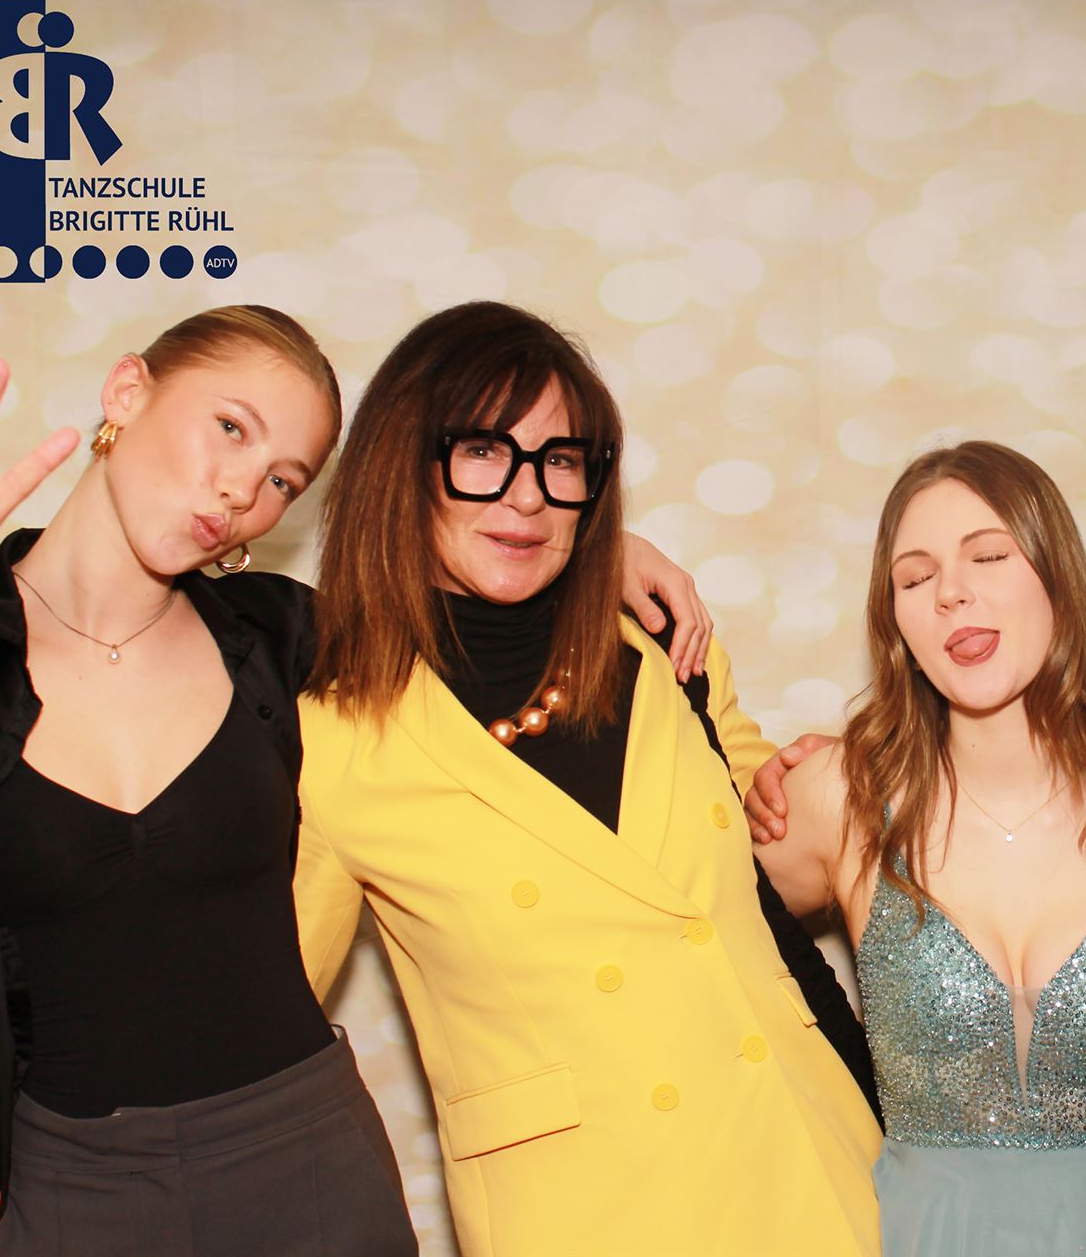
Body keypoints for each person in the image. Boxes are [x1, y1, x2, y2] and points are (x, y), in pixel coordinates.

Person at [291, 300, 882, 1256]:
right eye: (483, 451)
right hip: (581, 1219)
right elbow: (263, 1018)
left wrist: (822, 783)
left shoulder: (662, 648)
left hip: (810, 1176)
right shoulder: (331, 742)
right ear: (402, 467)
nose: (527, 495)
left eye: (561, 460)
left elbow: (767, 848)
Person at [0, 309, 418, 1254]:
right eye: (231, 427)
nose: (243, 489)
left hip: (311, 1171)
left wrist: (598, 556)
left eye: (283, 480)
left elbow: (491, 643)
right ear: (128, 392)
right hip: (58, 1193)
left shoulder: (283, 636)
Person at [756, 441, 1086, 1256]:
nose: (950, 593)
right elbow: (672, 928)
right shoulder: (840, 799)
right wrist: (603, 564)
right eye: (915, 577)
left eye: (988, 556)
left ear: (1056, 574)